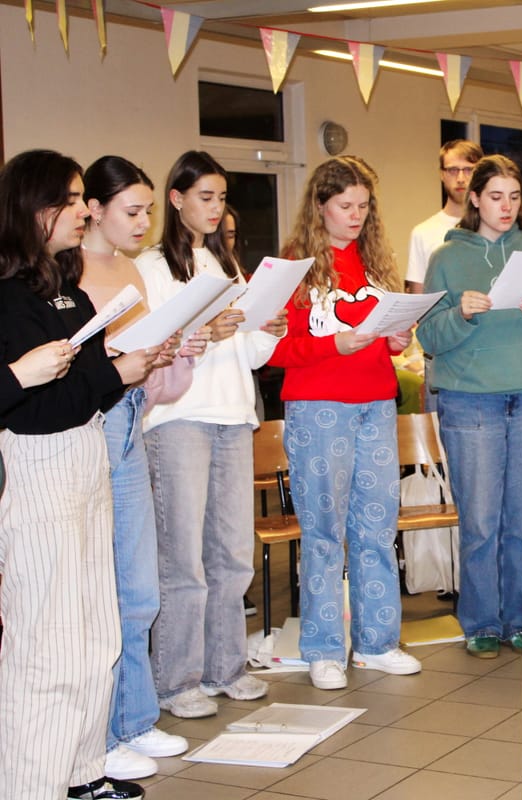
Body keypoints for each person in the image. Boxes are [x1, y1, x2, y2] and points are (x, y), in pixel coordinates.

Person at [0, 149, 158, 800]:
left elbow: (85, 382)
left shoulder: (59, 284)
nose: (83, 210)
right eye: (70, 199)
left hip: (86, 457)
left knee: (96, 630)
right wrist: (111, 374)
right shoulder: (9, 295)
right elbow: (37, 406)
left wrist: (123, 368)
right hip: (41, 470)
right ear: (36, 210)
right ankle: (29, 782)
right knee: (48, 640)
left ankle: (82, 772)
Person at [136, 151, 287, 719]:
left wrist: (267, 328)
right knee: (184, 560)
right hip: (178, 419)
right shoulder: (153, 266)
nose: (216, 208)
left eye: (222, 198)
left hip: (232, 415)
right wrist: (203, 328)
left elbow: (247, 352)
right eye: (205, 197)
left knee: (232, 555)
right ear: (176, 200)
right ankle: (177, 680)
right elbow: (149, 349)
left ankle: (227, 667)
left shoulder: (227, 265)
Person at [268, 156, 422, 690]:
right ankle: (323, 647)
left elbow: (387, 330)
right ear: (319, 206)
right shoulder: (293, 266)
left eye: (363, 206)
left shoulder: (374, 260)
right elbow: (272, 349)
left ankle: (378, 642)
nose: (355, 216)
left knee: (377, 526)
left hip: (376, 402)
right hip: (318, 407)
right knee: (324, 531)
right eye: (344, 206)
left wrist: (396, 339)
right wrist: (335, 343)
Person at [419, 154, 522, 658]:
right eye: (495, 197)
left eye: (514, 196)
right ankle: (481, 621)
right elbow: (427, 336)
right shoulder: (447, 256)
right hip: (470, 400)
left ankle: (519, 617)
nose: (506, 207)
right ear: (473, 199)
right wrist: (461, 313)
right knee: (481, 520)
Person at [80, 156, 197, 781]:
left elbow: (152, 389)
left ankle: (134, 718)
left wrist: (173, 355)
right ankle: (98, 733)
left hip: (128, 422)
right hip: (85, 430)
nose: (144, 222)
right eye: (133, 210)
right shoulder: (66, 272)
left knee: (138, 587)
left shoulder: (131, 270)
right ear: (93, 210)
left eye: (150, 209)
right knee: (97, 591)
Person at [405, 139, 483, 294]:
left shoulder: (493, 228)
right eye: (453, 170)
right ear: (442, 174)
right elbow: (418, 300)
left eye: (469, 170)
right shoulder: (423, 233)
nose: (461, 178)